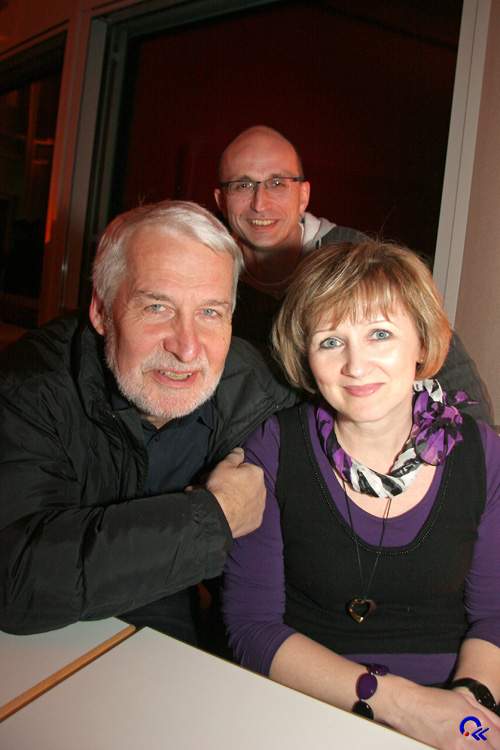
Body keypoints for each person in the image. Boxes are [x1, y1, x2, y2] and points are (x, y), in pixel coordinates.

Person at [222, 240, 500, 749]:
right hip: (311, 703)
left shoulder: (483, 454)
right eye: (331, 341)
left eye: (380, 334)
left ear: (422, 343)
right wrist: (399, 704)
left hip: (458, 705)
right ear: (305, 355)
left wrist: (468, 712)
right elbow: (252, 628)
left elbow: (494, 616)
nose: (355, 365)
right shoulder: (274, 448)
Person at [0, 200, 296, 643]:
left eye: (210, 312)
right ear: (101, 312)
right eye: (157, 307)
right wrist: (214, 517)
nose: (187, 347)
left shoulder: (260, 396)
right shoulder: (33, 388)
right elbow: (15, 576)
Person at [214, 124, 492, 424]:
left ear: (303, 196)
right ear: (221, 201)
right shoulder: (208, 278)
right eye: (242, 185)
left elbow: (449, 366)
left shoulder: (358, 260)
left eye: (277, 182)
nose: (260, 203)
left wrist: (474, 442)